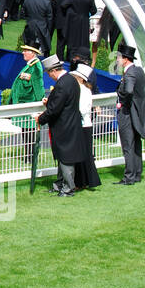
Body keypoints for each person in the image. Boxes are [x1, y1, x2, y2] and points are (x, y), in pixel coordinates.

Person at [37, 54, 83, 197]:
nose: (50, 77)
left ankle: (68, 188)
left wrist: (41, 118)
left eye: (49, 73)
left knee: (65, 157)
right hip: (70, 124)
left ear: (53, 71)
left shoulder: (63, 84)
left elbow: (55, 109)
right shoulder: (71, 80)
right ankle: (60, 185)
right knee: (62, 156)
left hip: (64, 126)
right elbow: (62, 103)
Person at [115, 45, 145, 185]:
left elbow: (128, 91)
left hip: (128, 113)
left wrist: (121, 102)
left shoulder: (129, 74)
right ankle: (137, 174)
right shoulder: (139, 71)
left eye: (119, 57)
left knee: (128, 145)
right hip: (138, 112)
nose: (117, 60)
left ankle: (129, 176)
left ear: (126, 59)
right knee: (136, 144)